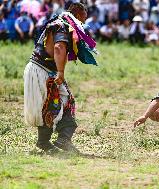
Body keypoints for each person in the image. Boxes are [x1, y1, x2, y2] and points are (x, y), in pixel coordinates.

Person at [23, 3, 97, 153]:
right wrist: (61, 72)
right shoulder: (62, 25)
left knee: (51, 104)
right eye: (82, 19)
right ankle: (61, 139)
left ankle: (46, 141)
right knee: (63, 102)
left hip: (41, 69)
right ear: (77, 15)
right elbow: (58, 47)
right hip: (42, 71)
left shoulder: (57, 23)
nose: (82, 24)